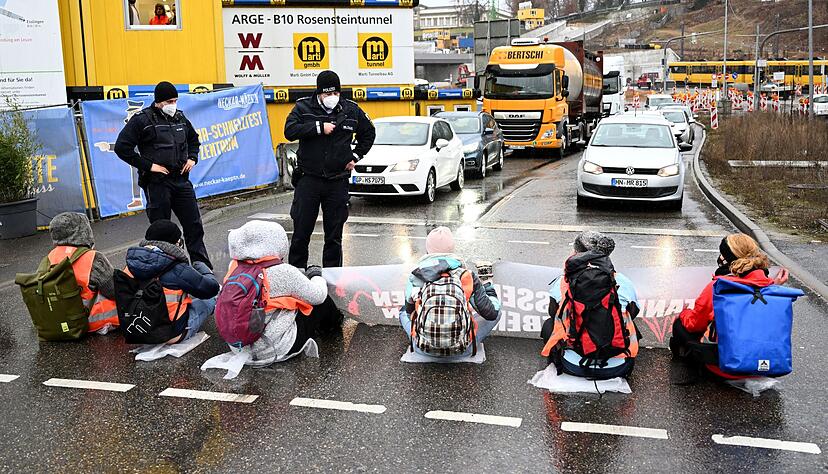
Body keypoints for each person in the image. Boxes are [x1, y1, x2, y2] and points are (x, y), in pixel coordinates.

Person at [114, 81, 212, 269]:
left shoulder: (180, 117)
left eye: (175, 100)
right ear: (158, 102)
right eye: (169, 101)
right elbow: (122, 147)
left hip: (181, 181)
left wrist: (192, 158)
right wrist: (149, 166)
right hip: (157, 184)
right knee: (161, 230)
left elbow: (194, 140)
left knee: (194, 226)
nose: (173, 104)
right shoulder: (142, 120)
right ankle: (164, 271)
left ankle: (202, 267)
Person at [284, 70, 376, 269]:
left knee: (334, 235)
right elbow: (289, 131)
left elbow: (369, 133)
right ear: (319, 94)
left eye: (335, 94)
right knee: (301, 231)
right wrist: (318, 127)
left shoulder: (351, 110)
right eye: (327, 94)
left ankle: (333, 277)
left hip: (337, 180)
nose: (332, 98)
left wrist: (356, 156)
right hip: (309, 179)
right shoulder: (303, 107)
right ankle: (296, 273)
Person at [670, 233, 790, 379]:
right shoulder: (770, 287)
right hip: (768, 368)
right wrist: (774, 285)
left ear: (727, 259)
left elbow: (694, 324)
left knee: (680, 325)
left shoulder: (718, 287)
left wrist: (683, 314)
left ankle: (684, 365)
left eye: (722, 253)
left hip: (727, 368)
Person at [225, 220, 342, 364]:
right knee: (321, 303)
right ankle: (334, 326)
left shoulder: (234, 267)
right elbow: (318, 295)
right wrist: (316, 275)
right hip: (277, 348)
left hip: (239, 347)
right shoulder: (283, 272)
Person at [541, 231, 640, 379]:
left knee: (549, 324)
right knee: (631, 325)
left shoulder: (563, 282)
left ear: (576, 253)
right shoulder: (622, 281)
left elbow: (553, 313)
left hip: (573, 366)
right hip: (618, 367)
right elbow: (633, 313)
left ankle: (558, 361)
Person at [399, 227, 501, 359]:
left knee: (402, 311)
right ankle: (487, 283)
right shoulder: (465, 275)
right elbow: (491, 314)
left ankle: (424, 342)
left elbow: (409, 313)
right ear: (452, 249)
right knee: (497, 310)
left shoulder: (417, 276)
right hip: (463, 349)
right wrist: (487, 286)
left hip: (423, 348)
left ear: (428, 250)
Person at [124, 220, 220, 344]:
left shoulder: (130, 265)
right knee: (209, 300)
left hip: (137, 329)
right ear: (175, 243)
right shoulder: (176, 267)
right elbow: (210, 289)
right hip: (171, 334)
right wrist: (206, 272)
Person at [46, 212, 119, 334]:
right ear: (83, 231)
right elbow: (113, 291)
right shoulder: (91, 257)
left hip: (61, 321)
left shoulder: (50, 257)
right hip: (91, 322)